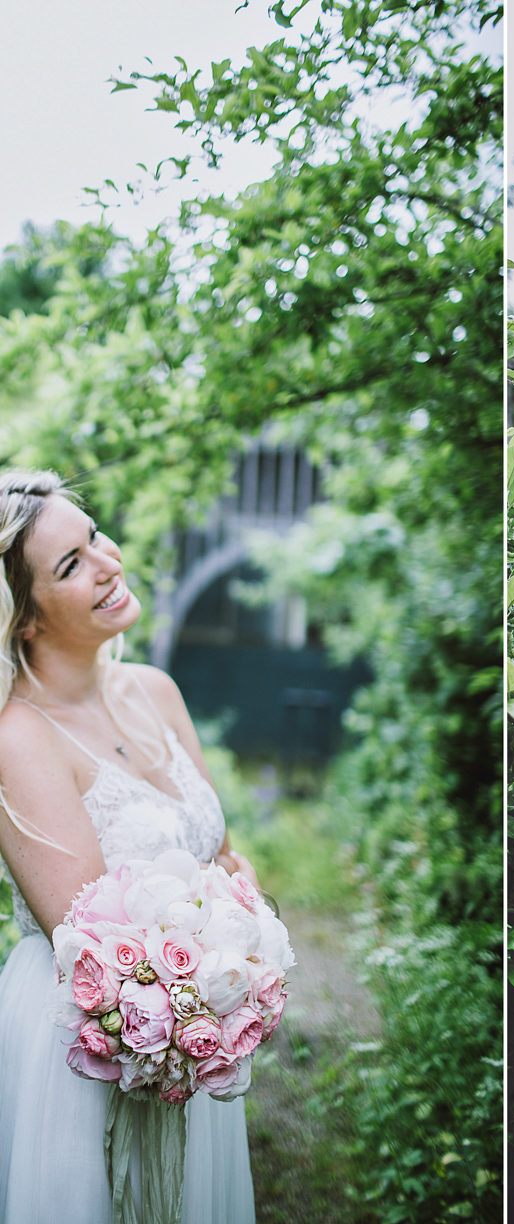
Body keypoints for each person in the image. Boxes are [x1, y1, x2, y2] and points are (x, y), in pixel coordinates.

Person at [0, 470, 258, 1223]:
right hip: (92, 1048)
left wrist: (243, 958)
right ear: (25, 618)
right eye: (71, 565)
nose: (109, 563)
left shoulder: (157, 690)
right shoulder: (17, 739)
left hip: (193, 1030)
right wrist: (222, 945)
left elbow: (227, 858)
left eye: (95, 538)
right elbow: (87, 940)